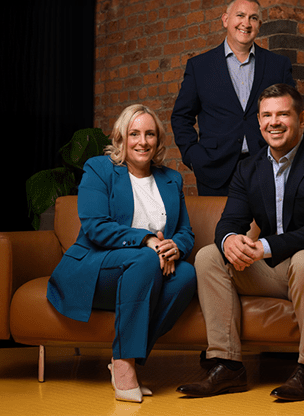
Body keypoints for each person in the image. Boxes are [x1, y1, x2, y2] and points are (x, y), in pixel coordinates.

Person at [176, 83, 304, 402]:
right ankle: (226, 365)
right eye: (267, 115)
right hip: (276, 271)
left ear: (302, 118)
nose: (274, 122)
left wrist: (263, 247)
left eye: (283, 114)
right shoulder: (247, 169)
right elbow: (229, 222)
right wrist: (231, 240)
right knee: (209, 256)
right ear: (259, 122)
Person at [46, 104, 199, 403]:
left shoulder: (171, 179)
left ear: (158, 140)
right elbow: (96, 227)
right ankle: (125, 368)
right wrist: (149, 242)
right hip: (96, 269)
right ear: (120, 138)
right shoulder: (99, 169)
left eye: (150, 134)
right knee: (143, 258)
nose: (142, 141)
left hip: (149, 270)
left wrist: (173, 247)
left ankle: (121, 360)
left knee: (187, 275)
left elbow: (185, 231)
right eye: (134, 133)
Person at [172, 0, 298, 196]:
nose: (246, 23)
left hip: (268, 166)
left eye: (253, 18)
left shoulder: (278, 65)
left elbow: (292, 113)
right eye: (240, 15)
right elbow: (181, 116)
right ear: (225, 19)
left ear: (259, 24)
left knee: (270, 228)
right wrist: (193, 156)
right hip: (215, 169)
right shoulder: (200, 67)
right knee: (220, 227)